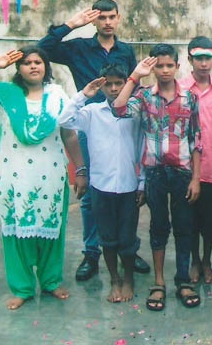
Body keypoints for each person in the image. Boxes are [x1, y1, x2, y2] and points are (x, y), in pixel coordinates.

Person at [0, 46, 87, 310]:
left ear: (46, 66)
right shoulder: (6, 94)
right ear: (19, 68)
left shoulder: (57, 95)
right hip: (16, 177)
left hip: (51, 175)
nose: (33, 66)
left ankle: (51, 281)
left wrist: (81, 169)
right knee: (16, 231)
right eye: (27, 63)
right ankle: (22, 288)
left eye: (38, 62)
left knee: (52, 229)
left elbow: (69, 135)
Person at [37, 0, 149, 280]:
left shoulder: (125, 51)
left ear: (118, 18)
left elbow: (133, 85)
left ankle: (128, 249)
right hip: (92, 124)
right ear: (94, 20)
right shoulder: (79, 48)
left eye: (112, 17)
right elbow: (43, 49)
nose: (107, 22)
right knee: (89, 192)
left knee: (126, 191)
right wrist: (70, 25)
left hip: (123, 124)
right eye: (102, 18)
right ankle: (91, 253)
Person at [113, 44, 202, 311]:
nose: (164, 71)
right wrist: (135, 76)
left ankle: (183, 279)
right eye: (159, 66)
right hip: (155, 173)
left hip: (182, 172)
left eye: (169, 65)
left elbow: (196, 139)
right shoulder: (144, 96)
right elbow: (118, 109)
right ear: (153, 68)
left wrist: (196, 178)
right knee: (158, 226)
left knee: (184, 226)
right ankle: (159, 281)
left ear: (177, 66)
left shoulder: (190, 98)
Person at [58, 63, 146, 303]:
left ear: (127, 84)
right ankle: (115, 280)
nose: (114, 88)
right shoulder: (92, 112)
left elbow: (142, 148)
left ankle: (128, 279)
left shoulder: (135, 112)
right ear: (102, 86)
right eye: (109, 84)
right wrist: (83, 95)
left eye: (119, 83)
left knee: (127, 238)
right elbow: (64, 120)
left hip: (129, 186)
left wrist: (142, 183)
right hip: (101, 187)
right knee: (107, 238)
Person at [179, 37, 212, 285]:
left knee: (209, 222)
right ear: (190, 60)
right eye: (199, 58)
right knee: (189, 220)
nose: (204, 63)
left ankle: (206, 261)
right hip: (186, 169)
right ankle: (194, 261)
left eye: (208, 58)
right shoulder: (180, 90)